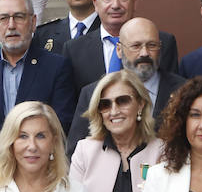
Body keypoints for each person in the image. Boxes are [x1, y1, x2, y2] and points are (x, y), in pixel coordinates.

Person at [0, 0, 76, 134]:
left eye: (19, 17)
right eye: (3, 18)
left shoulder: (56, 67)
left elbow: (61, 123)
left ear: (33, 22)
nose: (11, 25)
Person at [66, 16, 186, 148]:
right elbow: (74, 149)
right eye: (136, 46)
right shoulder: (93, 93)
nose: (144, 53)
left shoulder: (184, 91)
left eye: (152, 45)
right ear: (119, 50)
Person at [59, 0, 180, 91]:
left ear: (135, 2)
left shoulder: (163, 42)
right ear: (96, 4)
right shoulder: (74, 50)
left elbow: (171, 94)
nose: (115, 5)